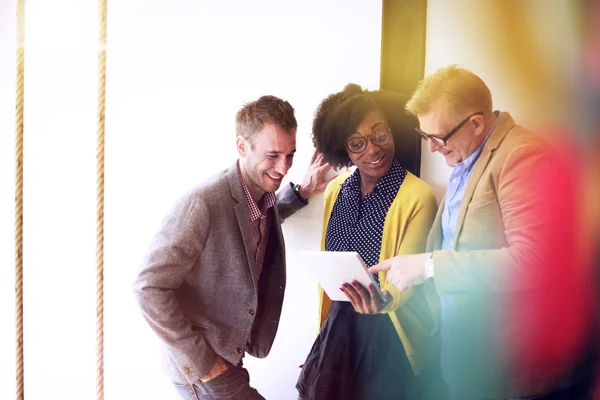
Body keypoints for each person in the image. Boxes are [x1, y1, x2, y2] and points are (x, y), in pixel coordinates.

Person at [370, 65, 590, 399]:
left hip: (509, 369)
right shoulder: (465, 156)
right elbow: (459, 244)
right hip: (465, 359)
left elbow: (534, 260)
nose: (431, 148)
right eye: (424, 136)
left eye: (438, 137)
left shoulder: (521, 155)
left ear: (475, 123)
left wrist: (429, 265)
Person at [132, 95, 332, 400]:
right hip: (201, 370)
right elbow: (147, 287)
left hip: (231, 359)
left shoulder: (261, 199)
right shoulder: (202, 203)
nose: (284, 167)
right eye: (273, 155)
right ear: (242, 147)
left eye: (290, 155)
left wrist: (301, 193)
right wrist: (204, 363)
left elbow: (258, 219)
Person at [296, 84, 446, 400]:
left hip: (390, 333)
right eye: (357, 143)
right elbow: (332, 274)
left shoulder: (417, 196)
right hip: (339, 330)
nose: (373, 149)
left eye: (380, 134)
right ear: (344, 149)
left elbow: (407, 276)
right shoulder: (336, 190)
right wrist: (321, 344)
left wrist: (385, 299)